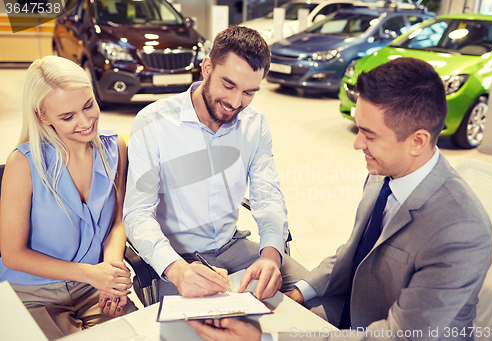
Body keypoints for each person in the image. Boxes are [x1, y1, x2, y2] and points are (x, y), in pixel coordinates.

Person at [186, 57, 492, 340]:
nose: (358, 144)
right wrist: (299, 294)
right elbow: (354, 251)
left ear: (417, 141)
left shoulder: (461, 230)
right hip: (353, 313)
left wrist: (267, 338)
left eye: (370, 135)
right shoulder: (383, 171)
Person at [123, 25, 309, 300]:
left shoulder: (255, 124)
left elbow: (267, 196)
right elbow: (137, 215)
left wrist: (270, 254)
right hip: (179, 258)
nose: (236, 102)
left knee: (319, 294)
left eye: (249, 92)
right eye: (228, 85)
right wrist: (176, 270)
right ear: (207, 67)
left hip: (233, 246)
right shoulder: (153, 122)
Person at [0, 56, 136, 340]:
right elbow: (13, 255)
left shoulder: (115, 148)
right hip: (33, 293)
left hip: (93, 287)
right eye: (68, 116)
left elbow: (118, 221)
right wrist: (92, 274)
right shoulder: (23, 164)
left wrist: (111, 273)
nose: (86, 122)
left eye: (89, 105)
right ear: (42, 116)